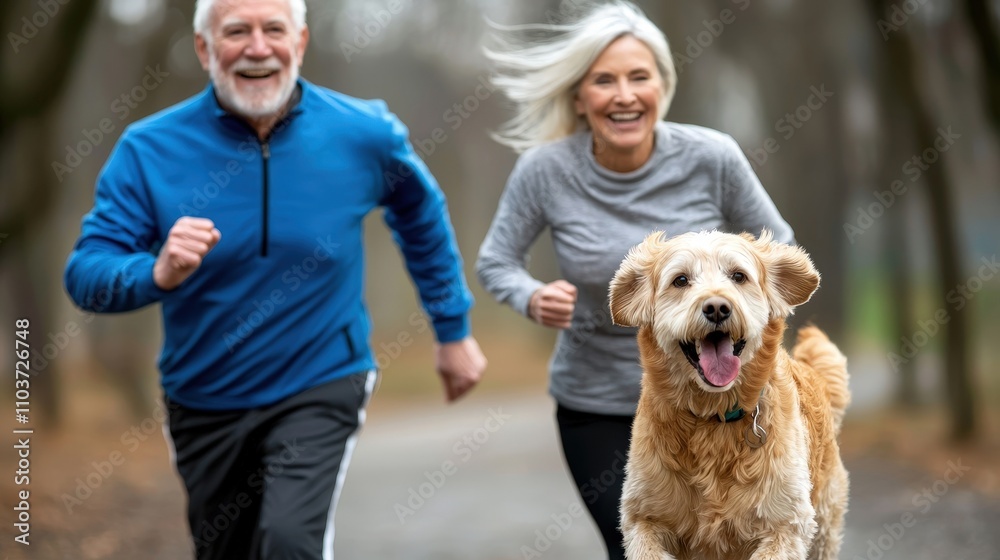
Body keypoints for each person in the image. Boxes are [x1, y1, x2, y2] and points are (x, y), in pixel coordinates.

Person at [63, 0, 487, 558]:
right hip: (204, 394)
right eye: (237, 31)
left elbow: (421, 214)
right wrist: (155, 271)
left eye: (274, 29)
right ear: (204, 49)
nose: (258, 48)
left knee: (289, 541)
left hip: (322, 376)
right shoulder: (149, 149)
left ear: (300, 42)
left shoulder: (363, 133)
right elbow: (85, 272)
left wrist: (452, 328)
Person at [476, 2, 794, 559]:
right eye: (604, 80)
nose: (624, 95)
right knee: (638, 548)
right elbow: (495, 260)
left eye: (639, 77)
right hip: (600, 403)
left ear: (662, 87)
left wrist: (740, 295)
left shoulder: (713, 157)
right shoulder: (545, 172)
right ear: (579, 97)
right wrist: (532, 297)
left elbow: (778, 248)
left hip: (720, 404)